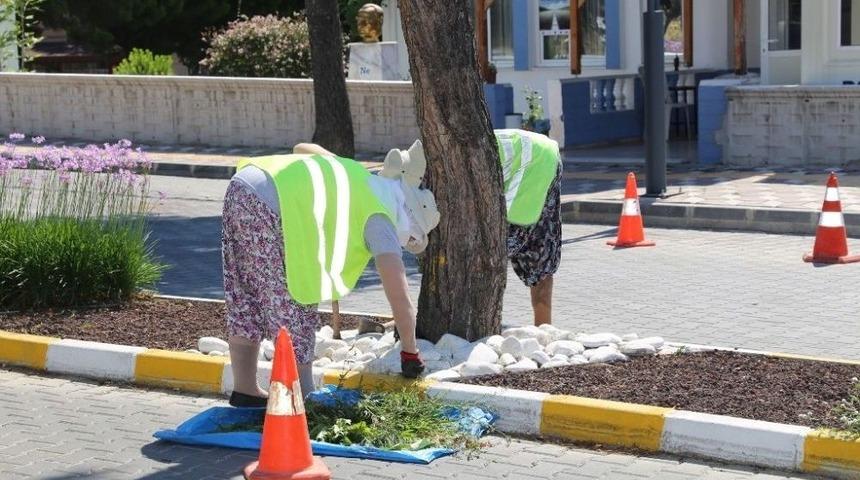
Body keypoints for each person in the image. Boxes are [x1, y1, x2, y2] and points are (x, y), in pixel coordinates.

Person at [222, 141, 440, 408]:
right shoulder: (382, 218)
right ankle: (300, 396)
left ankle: (245, 389)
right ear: (410, 216)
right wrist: (410, 350)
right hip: (271, 205)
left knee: (245, 291)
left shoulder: (357, 175)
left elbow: (301, 147)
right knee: (296, 297)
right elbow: (399, 293)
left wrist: (331, 161)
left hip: (242, 186)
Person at [496, 129, 563, 327]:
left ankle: (543, 331)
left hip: (533, 163)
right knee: (541, 253)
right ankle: (545, 329)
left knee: (492, 250)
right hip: (547, 153)